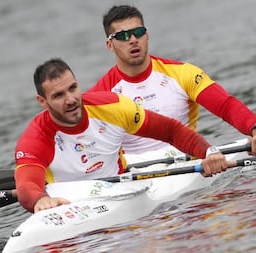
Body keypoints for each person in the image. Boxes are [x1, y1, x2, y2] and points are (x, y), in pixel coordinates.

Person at [14, 58, 228, 213]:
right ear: (42, 101)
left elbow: (170, 131)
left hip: (121, 190)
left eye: (73, 88)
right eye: (59, 95)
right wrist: (39, 200)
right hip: (71, 204)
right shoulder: (36, 138)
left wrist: (209, 152)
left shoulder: (111, 106)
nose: (70, 99)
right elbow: (26, 187)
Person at [88, 5, 256, 155]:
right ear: (109, 45)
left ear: (147, 35)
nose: (133, 40)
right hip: (136, 174)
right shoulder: (99, 95)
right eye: (123, 36)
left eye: (138, 32)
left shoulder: (182, 73)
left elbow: (225, 106)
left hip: (189, 158)